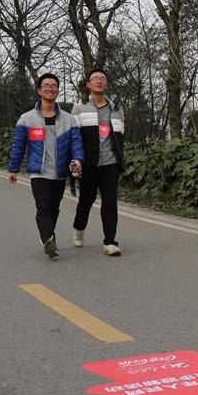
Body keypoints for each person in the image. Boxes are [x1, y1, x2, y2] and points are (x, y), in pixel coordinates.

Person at [8, 73, 84, 260]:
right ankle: (49, 238)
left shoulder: (69, 119)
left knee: (54, 207)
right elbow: (18, 145)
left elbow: (76, 143)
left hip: (60, 171)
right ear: (39, 90)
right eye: (46, 85)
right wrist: (13, 169)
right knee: (43, 206)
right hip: (39, 171)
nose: (50, 88)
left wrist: (78, 159)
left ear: (57, 90)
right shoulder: (26, 119)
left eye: (53, 85)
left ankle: (48, 236)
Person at [71, 69, 126, 256]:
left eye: (103, 78)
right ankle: (79, 228)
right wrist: (76, 160)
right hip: (88, 164)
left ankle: (110, 242)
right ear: (88, 84)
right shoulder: (79, 108)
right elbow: (74, 137)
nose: (99, 81)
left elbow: (120, 136)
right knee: (86, 200)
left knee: (110, 202)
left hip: (110, 163)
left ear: (106, 84)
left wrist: (119, 159)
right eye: (95, 79)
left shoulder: (116, 109)